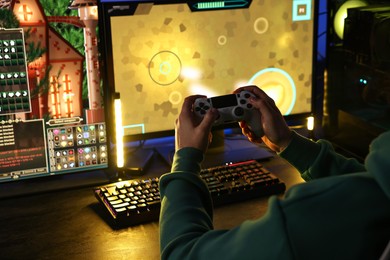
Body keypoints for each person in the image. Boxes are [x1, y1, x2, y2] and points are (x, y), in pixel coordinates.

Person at [158, 85, 390, 260]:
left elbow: (182, 254)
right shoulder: (379, 198)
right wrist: (287, 142)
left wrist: (185, 157)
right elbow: (366, 184)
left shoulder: (302, 222)